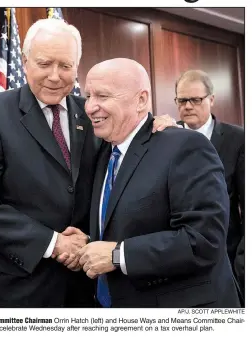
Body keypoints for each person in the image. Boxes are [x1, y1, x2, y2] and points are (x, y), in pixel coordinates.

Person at [0, 19, 172, 308]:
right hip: (19, 290)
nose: (55, 76)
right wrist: (53, 243)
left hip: (89, 287)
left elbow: (118, 180)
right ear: (25, 60)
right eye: (44, 64)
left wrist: (155, 126)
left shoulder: (93, 111)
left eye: (66, 66)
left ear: (77, 67)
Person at [75, 58, 241, 308]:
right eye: (89, 96)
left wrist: (117, 255)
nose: (90, 107)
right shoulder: (105, 152)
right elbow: (129, 223)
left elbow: (203, 240)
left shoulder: (185, 146)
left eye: (103, 96)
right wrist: (88, 241)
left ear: (141, 100)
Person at [174, 69, 244, 297]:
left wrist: (242, 264)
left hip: (227, 260)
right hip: (177, 262)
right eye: (182, 100)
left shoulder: (238, 139)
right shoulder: (165, 137)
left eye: (195, 100)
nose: (187, 106)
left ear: (211, 100)